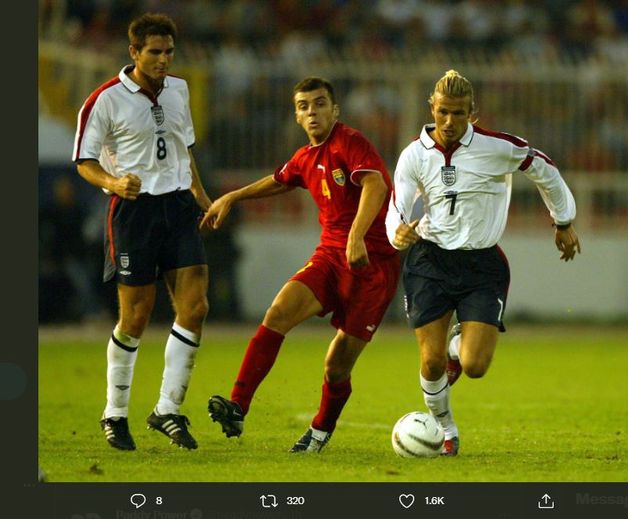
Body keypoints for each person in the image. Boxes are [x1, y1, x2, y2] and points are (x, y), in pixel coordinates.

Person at [385, 70, 581, 456]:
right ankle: (446, 429)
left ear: (472, 112)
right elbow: (398, 205)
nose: (449, 121)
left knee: (474, 365)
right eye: (442, 112)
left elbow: (546, 170)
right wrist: (398, 232)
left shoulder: (498, 147)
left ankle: (459, 346)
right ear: (432, 108)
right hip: (429, 261)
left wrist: (563, 221)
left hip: (481, 266)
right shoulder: (414, 154)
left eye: (458, 113)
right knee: (431, 361)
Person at [202, 76, 400, 453]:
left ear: (335, 109)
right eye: (305, 106)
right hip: (329, 257)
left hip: (372, 267)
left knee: (336, 366)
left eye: (320, 103)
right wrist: (232, 196)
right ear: (296, 115)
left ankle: (321, 430)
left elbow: (376, 185)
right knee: (277, 312)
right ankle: (238, 406)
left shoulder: (351, 143)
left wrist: (357, 234)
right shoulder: (306, 157)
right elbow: (280, 180)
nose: (313, 112)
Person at [72, 13, 212, 451]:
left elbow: (184, 147)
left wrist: (203, 197)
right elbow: (84, 160)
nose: (164, 60)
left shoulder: (180, 89)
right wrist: (114, 183)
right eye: (155, 52)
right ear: (134, 52)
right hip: (134, 213)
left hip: (178, 206)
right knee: (135, 317)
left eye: (169, 52)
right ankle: (114, 413)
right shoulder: (105, 100)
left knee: (196, 306)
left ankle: (168, 409)